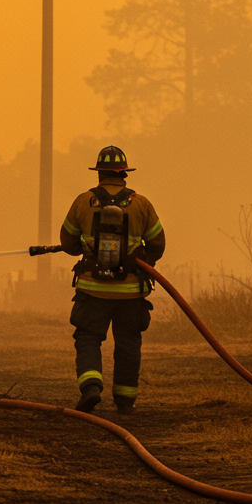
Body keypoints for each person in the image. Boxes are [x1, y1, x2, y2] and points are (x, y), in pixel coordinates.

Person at [60, 146, 166, 413]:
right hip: (131, 292)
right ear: (123, 174)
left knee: (88, 338)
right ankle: (125, 400)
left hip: (92, 290)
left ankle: (91, 387)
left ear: (99, 174)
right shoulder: (141, 204)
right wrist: (141, 263)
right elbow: (158, 244)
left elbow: (68, 242)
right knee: (128, 342)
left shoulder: (83, 202)